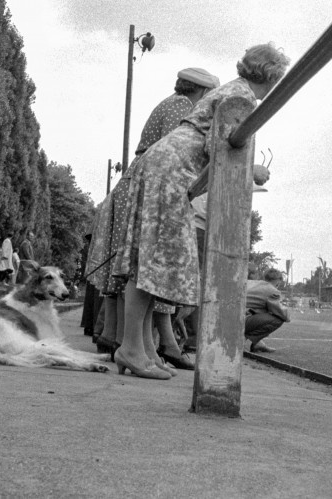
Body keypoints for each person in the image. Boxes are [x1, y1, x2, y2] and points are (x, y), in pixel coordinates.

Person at [111, 43, 290, 379]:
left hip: (169, 164)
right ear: (271, 74)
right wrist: (253, 170)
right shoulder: (243, 98)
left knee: (153, 257)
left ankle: (143, 348)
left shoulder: (231, 90)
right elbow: (219, 145)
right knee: (153, 258)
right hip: (174, 168)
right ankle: (132, 347)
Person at [86, 67, 220, 371]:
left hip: (136, 182)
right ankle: (143, 346)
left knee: (137, 265)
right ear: (202, 93)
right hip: (150, 185)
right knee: (147, 265)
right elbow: (178, 156)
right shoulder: (184, 109)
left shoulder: (171, 104)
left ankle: (137, 344)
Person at [245, 268, 290, 353]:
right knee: (277, 319)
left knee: (263, 310)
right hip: (242, 320)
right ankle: (242, 340)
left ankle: (258, 343)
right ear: (278, 281)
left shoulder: (251, 283)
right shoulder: (272, 291)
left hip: (232, 317)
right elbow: (283, 314)